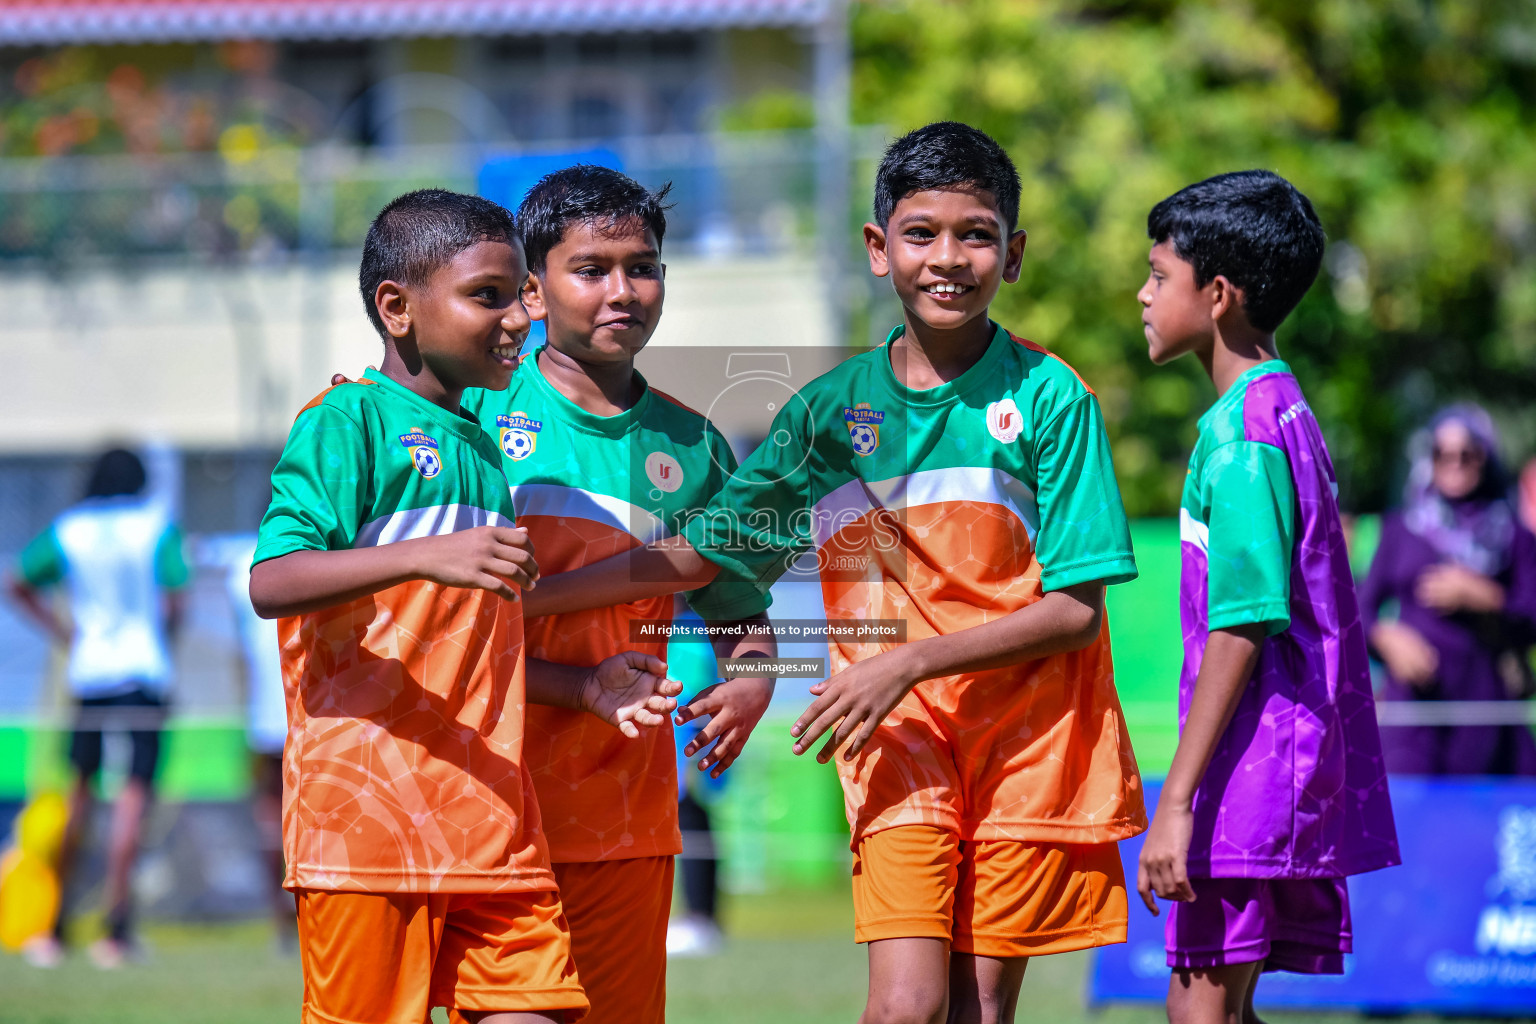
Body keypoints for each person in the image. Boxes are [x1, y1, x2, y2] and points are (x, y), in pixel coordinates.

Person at [532, 122, 1148, 1024]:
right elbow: (710, 550)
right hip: (897, 743)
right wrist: (544, 597)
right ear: (877, 248)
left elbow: (1075, 612)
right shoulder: (828, 412)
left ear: (1012, 255)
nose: (949, 258)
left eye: (976, 234)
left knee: (978, 1014)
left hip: (1030, 748)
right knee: (903, 1010)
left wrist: (901, 661)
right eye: (921, 232)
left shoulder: (1052, 397)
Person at [248, 188, 682, 1024]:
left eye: (520, 293)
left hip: (494, 819)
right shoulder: (349, 421)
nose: (519, 317)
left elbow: (475, 652)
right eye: (489, 295)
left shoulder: (483, 451)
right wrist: (421, 555)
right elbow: (274, 579)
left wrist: (585, 686)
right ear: (396, 308)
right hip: (369, 826)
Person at [461, 165, 776, 1022]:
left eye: (642, 267)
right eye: (591, 269)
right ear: (532, 290)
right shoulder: (472, 421)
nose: (622, 290)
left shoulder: (697, 443)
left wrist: (753, 675)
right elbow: (447, 629)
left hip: (629, 816)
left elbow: (739, 605)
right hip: (487, 801)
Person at [1134, 171, 1401, 1024]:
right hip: (1287, 763)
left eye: (1158, 275)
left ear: (1217, 296)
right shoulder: (1287, 409)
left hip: (1249, 771)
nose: (1142, 296)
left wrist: (1174, 802)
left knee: (1198, 1012)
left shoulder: (1242, 436)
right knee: (1230, 1008)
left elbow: (1244, 623)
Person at [6, 446, 189, 969]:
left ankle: (56, 927)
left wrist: (66, 633)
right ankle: (115, 928)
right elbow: (177, 596)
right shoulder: (156, 525)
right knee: (132, 798)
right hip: (143, 672)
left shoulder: (71, 529)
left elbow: (18, 582)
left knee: (79, 796)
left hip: (89, 672)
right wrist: (164, 638)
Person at [1362, 404, 1536, 775]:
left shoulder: (1514, 535)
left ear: (1485, 457)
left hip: (1485, 715)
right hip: (1414, 717)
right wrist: (1386, 638)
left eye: (1467, 453)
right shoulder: (1402, 528)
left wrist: (1485, 596)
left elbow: (1530, 615)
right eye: (1443, 454)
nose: (1455, 463)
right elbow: (1358, 611)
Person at [215, 529, 295, 949]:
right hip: (314, 704)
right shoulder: (329, 546)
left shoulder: (242, 560)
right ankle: (305, 914)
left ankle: (280, 919)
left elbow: (239, 649)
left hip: (264, 709)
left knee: (270, 816)